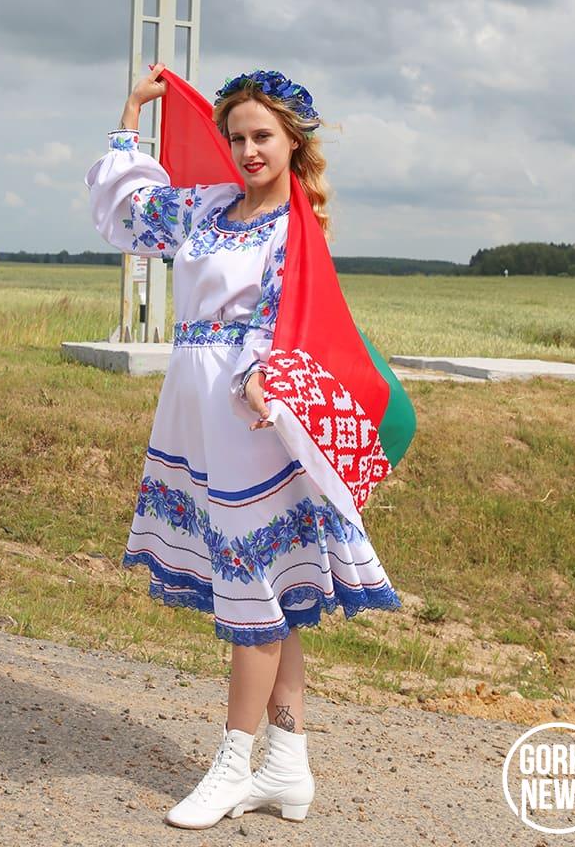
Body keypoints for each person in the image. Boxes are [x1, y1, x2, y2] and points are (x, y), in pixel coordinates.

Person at [84, 62, 402, 830]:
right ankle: (287, 766)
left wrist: (266, 379)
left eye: (262, 136)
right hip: (194, 406)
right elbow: (129, 216)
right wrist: (130, 117)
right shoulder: (207, 207)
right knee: (272, 590)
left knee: (252, 586)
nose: (249, 150)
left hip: (250, 415)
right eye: (237, 137)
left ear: (293, 142)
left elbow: (297, 321)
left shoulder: (296, 228)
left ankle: (232, 764)